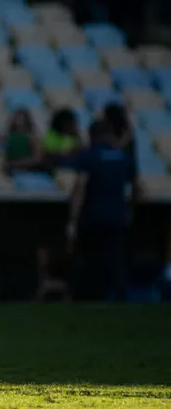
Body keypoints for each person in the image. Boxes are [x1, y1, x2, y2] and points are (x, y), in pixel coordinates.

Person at [67, 120, 141, 300]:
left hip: (93, 216)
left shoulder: (90, 156)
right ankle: (120, 297)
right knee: (116, 259)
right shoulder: (124, 157)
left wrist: (73, 218)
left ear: (94, 135)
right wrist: (130, 209)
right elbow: (138, 187)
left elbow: (80, 186)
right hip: (117, 215)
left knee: (91, 259)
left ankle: (91, 296)